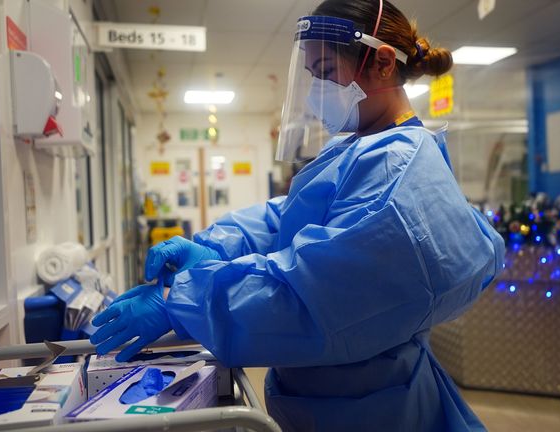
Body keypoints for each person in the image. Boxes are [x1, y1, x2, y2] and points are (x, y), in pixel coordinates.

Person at [90, 0, 505, 430]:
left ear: (382, 62)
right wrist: (210, 247)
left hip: (370, 409)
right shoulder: (358, 148)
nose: (316, 91)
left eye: (326, 72)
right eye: (312, 76)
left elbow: (309, 299)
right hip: (334, 397)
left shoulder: (397, 170)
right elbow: (286, 219)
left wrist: (183, 300)